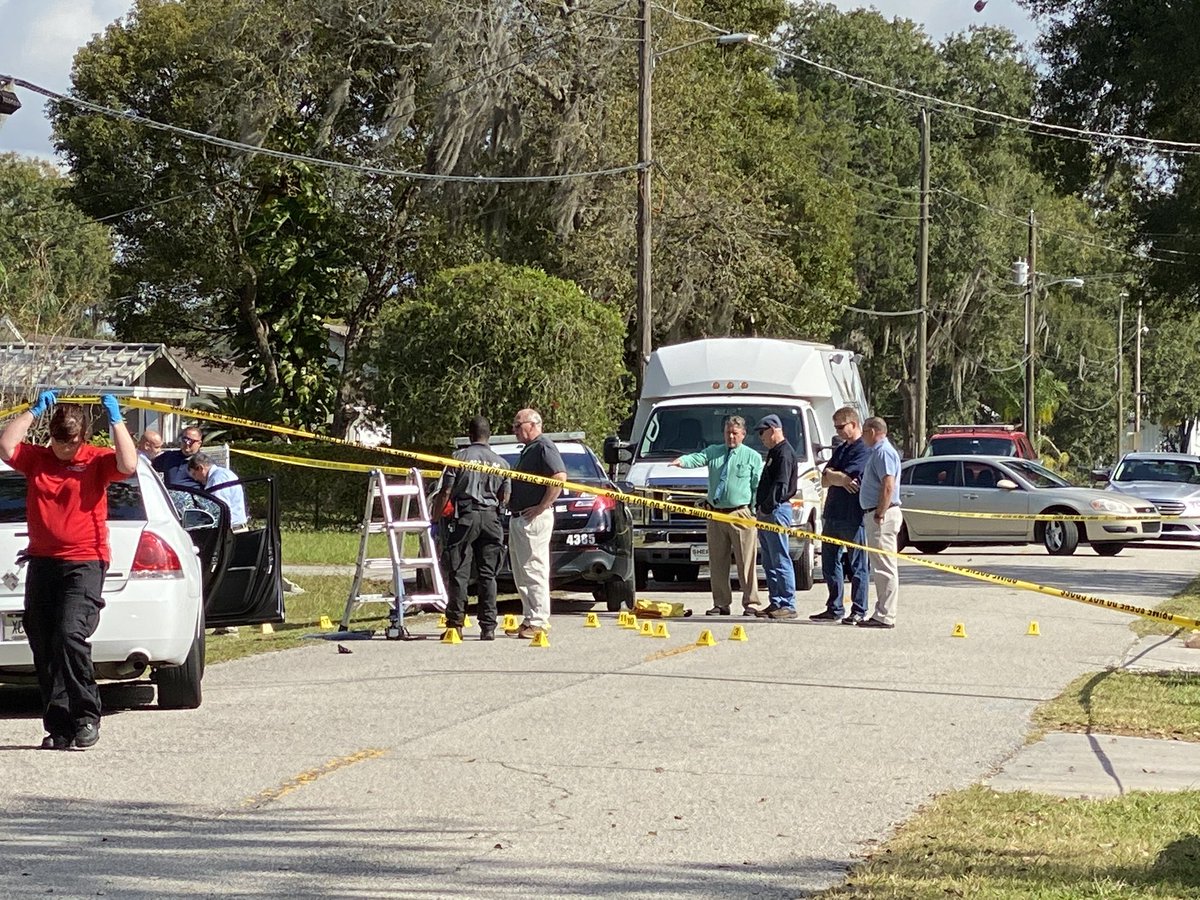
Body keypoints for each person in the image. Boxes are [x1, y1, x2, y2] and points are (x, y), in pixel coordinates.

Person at [0, 391, 137, 750]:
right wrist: (34, 410)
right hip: (43, 560)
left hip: (85, 560)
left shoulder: (95, 461)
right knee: (43, 641)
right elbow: (5, 445)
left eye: (71, 442)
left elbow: (128, 464)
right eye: (59, 441)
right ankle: (59, 725)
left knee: (69, 634)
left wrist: (117, 419)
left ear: (84, 438)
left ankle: (86, 716)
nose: (64, 449)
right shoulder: (38, 460)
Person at [669, 415, 764, 616]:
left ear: (743, 435)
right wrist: (682, 462)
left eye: (735, 433)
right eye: (728, 432)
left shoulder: (752, 457)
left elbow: (757, 486)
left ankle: (751, 603)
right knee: (717, 561)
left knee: (746, 562)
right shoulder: (714, 452)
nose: (731, 437)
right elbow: (697, 458)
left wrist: (753, 511)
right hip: (716, 514)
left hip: (741, 514)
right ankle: (721, 603)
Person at [431, 416, 510, 641]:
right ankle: (488, 627)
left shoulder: (459, 458)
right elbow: (505, 496)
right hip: (491, 519)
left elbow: (446, 491)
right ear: (489, 435)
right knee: (488, 574)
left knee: (459, 572)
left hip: (465, 517)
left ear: (470, 435)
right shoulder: (502, 463)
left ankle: (455, 624)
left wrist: (435, 518)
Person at [507, 408, 566, 640]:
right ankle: (529, 618)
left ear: (532, 424)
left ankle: (539, 620)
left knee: (534, 569)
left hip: (535, 518)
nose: (514, 431)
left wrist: (542, 505)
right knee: (521, 571)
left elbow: (559, 476)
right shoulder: (529, 449)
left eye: (517, 425)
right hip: (520, 516)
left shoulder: (543, 446)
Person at [810, 407, 871, 625]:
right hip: (833, 513)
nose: (837, 432)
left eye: (840, 427)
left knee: (857, 565)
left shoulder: (863, 448)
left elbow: (852, 478)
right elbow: (825, 478)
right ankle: (834, 607)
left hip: (852, 516)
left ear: (853, 424)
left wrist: (838, 476)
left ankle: (859, 609)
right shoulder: (842, 447)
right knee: (829, 563)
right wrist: (839, 478)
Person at [857, 416, 903, 629]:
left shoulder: (883, 452)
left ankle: (885, 615)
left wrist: (879, 513)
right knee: (880, 565)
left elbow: (888, 485)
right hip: (877, 513)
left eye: (864, 431)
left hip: (882, 515)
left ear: (873, 431)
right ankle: (882, 611)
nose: (863, 436)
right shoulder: (877, 452)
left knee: (885, 566)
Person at [753, 414, 798, 619]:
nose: (761, 437)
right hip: (766, 511)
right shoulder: (773, 452)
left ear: (773, 429)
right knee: (769, 561)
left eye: (762, 432)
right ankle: (776, 601)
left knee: (780, 558)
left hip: (776, 511)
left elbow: (781, 486)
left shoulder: (784, 453)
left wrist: (767, 507)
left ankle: (788, 603)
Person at [185, 452, 248, 530]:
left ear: (200, 468)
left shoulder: (216, 479)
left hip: (231, 531)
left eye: (194, 474)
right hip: (235, 528)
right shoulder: (224, 473)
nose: (195, 479)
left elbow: (218, 509)